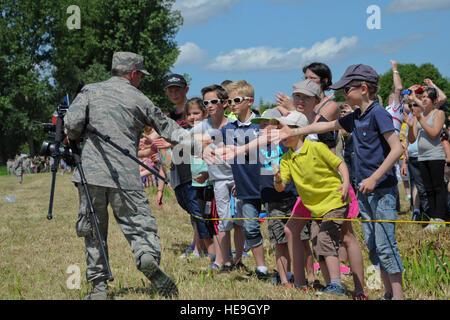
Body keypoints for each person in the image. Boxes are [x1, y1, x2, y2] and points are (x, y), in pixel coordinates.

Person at [64, 51, 205, 300]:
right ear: (133, 73)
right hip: (126, 175)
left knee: (93, 230)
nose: (140, 79)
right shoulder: (139, 98)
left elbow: (72, 126)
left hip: (91, 174)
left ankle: (99, 289)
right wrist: (200, 146)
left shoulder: (89, 91)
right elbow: (168, 128)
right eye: (140, 75)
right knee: (139, 225)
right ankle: (146, 256)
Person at [277, 64, 405, 300]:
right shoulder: (356, 117)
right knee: (374, 245)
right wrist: (296, 132)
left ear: (363, 89)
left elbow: (397, 149)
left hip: (382, 190)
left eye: (347, 89)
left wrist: (375, 177)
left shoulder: (378, 113)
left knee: (386, 245)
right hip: (365, 190)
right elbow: (325, 125)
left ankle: (397, 295)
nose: (344, 94)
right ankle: (387, 293)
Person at [273, 111, 350, 296]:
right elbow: (281, 187)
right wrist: (276, 178)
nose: (281, 135)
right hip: (316, 208)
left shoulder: (316, 147)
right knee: (318, 245)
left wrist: (346, 183)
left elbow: (339, 164)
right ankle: (329, 284)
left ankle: (337, 285)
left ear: (298, 131)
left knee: (325, 240)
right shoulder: (286, 159)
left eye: (284, 129)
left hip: (334, 200)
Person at [192, 84, 246, 272]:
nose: (209, 105)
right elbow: (184, 141)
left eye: (213, 101)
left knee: (239, 220)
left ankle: (239, 259)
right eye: (206, 102)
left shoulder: (233, 124)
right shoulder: (201, 126)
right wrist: (201, 148)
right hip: (218, 179)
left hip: (237, 176)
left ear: (224, 103)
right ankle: (226, 262)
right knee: (223, 220)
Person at [221, 80, 269, 278]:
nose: (233, 104)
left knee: (281, 230)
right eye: (230, 100)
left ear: (249, 101)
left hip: (269, 184)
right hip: (246, 185)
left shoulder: (263, 124)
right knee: (250, 226)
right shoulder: (227, 130)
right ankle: (262, 268)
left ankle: (290, 273)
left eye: (237, 100)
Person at [405, 86, 448, 230]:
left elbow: (434, 133)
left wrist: (419, 118)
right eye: (422, 97)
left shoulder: (438, 113)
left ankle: (440, 218)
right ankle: (432, 218)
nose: (423, 99)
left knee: (438, 187)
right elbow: (412, 139)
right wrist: (411, 126)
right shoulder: (420, 115)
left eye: (426, 97)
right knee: (427, 189)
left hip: (435, 156)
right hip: (422, 157)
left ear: (434, 101)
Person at [184, 97, 216, 261]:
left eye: (196, 113)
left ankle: (214, 252)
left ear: (204, 114)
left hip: (209, 180)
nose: (192, 117)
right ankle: (201, 249)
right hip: (195, 180)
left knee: (208, 218)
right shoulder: (190, 133)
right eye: (189, 114)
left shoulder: (208, 131)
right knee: (198, 217)